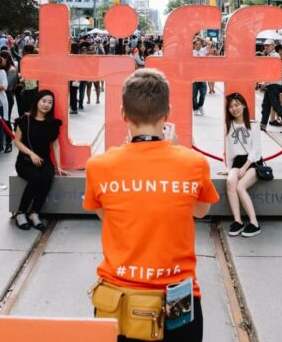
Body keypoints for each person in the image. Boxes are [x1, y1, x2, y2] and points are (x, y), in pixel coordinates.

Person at [84, 69, 218, 342]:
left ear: (123, 113)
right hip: (177, 299)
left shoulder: (99, 166)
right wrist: (176, 153)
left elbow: (104, 214)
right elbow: (200, 211)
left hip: (119, 300)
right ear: (167, 113)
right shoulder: (193, 164)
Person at [12, 90, 67, 230]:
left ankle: (34, 213)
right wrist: (31, 154)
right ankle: (21, 212)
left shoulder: (52, 123)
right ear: (37, 101)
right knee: (35, 178)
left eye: (50, 102)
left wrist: (59, 166)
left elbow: (55, 145)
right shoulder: (25, 120)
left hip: (45, 161)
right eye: (44, 101)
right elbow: (17, 141)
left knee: (48, 177)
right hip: (25, 161)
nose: (46, 105)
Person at [221, 93, 262, 238]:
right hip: (237, 162)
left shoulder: (253, 124)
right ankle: (238, 221)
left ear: (243, 105)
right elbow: (229, 149)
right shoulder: (229, 125)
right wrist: (229, 169)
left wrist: (245, 167)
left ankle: (254, 223)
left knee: (240, 186)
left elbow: (256, 149)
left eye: (237, 105)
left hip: (252, 162)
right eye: (231, 107)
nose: (234, 108)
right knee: (231, 182)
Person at [259, 44, 282, 133]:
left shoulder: (274, 56)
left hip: (273, 83)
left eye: (268, 46)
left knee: (276, 105)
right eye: (265, 46)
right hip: (272, 83)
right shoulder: (272, 56)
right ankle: (263, 124)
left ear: (272, 46)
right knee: (266, 104)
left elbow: (272, 71)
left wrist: (265, 83)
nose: (266, 47)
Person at [191, 38, 208, 116]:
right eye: (197, 44)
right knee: (194, 95)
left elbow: (210, 43)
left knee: (203, 93)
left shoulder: (203, 51)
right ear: (194, 45)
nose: (198, 45)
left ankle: (200, 106)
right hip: (194, 77)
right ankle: (195, 108)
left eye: (200, 44)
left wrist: (200, 38)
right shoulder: (191, 52)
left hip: (202, 76)